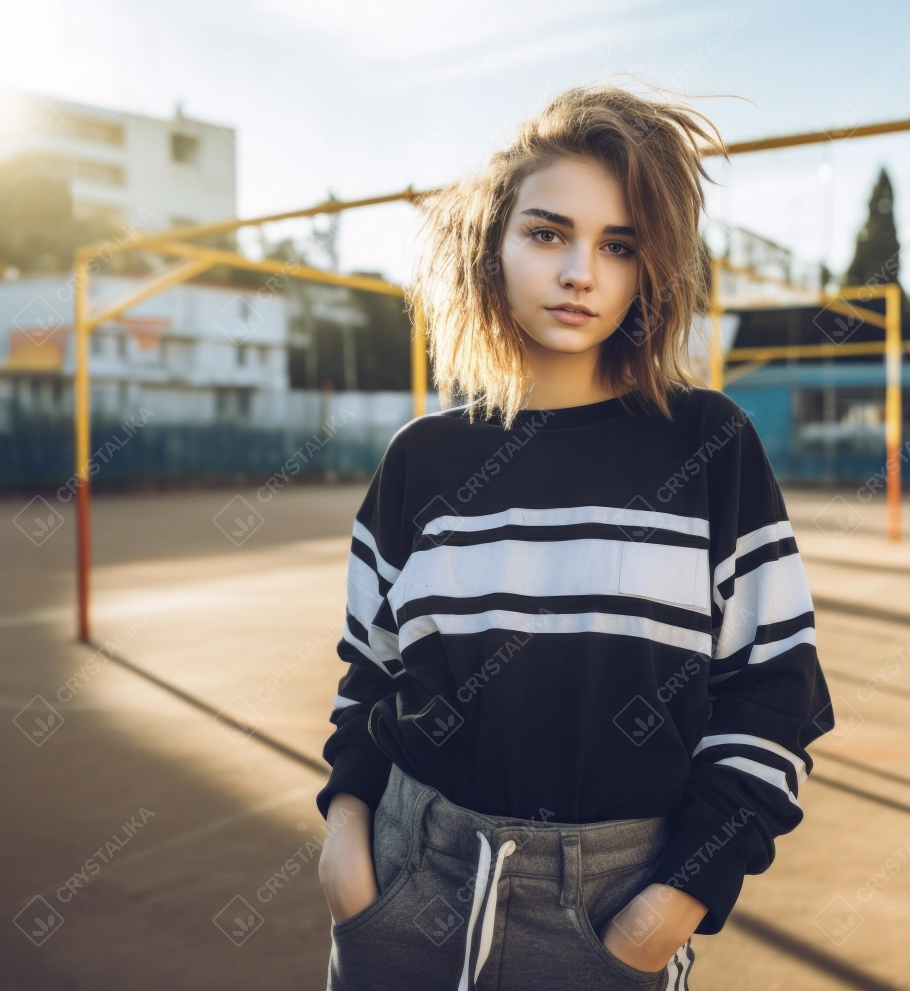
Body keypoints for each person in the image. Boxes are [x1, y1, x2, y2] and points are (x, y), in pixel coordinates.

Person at [314, 83, 834, 991]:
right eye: (548, 233)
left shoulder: (710, 445)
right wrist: (346, 853)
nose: (579, 272)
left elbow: (774, 700)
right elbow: (371, 677)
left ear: (648, 271)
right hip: (402, 886)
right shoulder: (421, 461)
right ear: (494, 246)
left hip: (608, 921)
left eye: (618, 245)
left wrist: (664, 911)